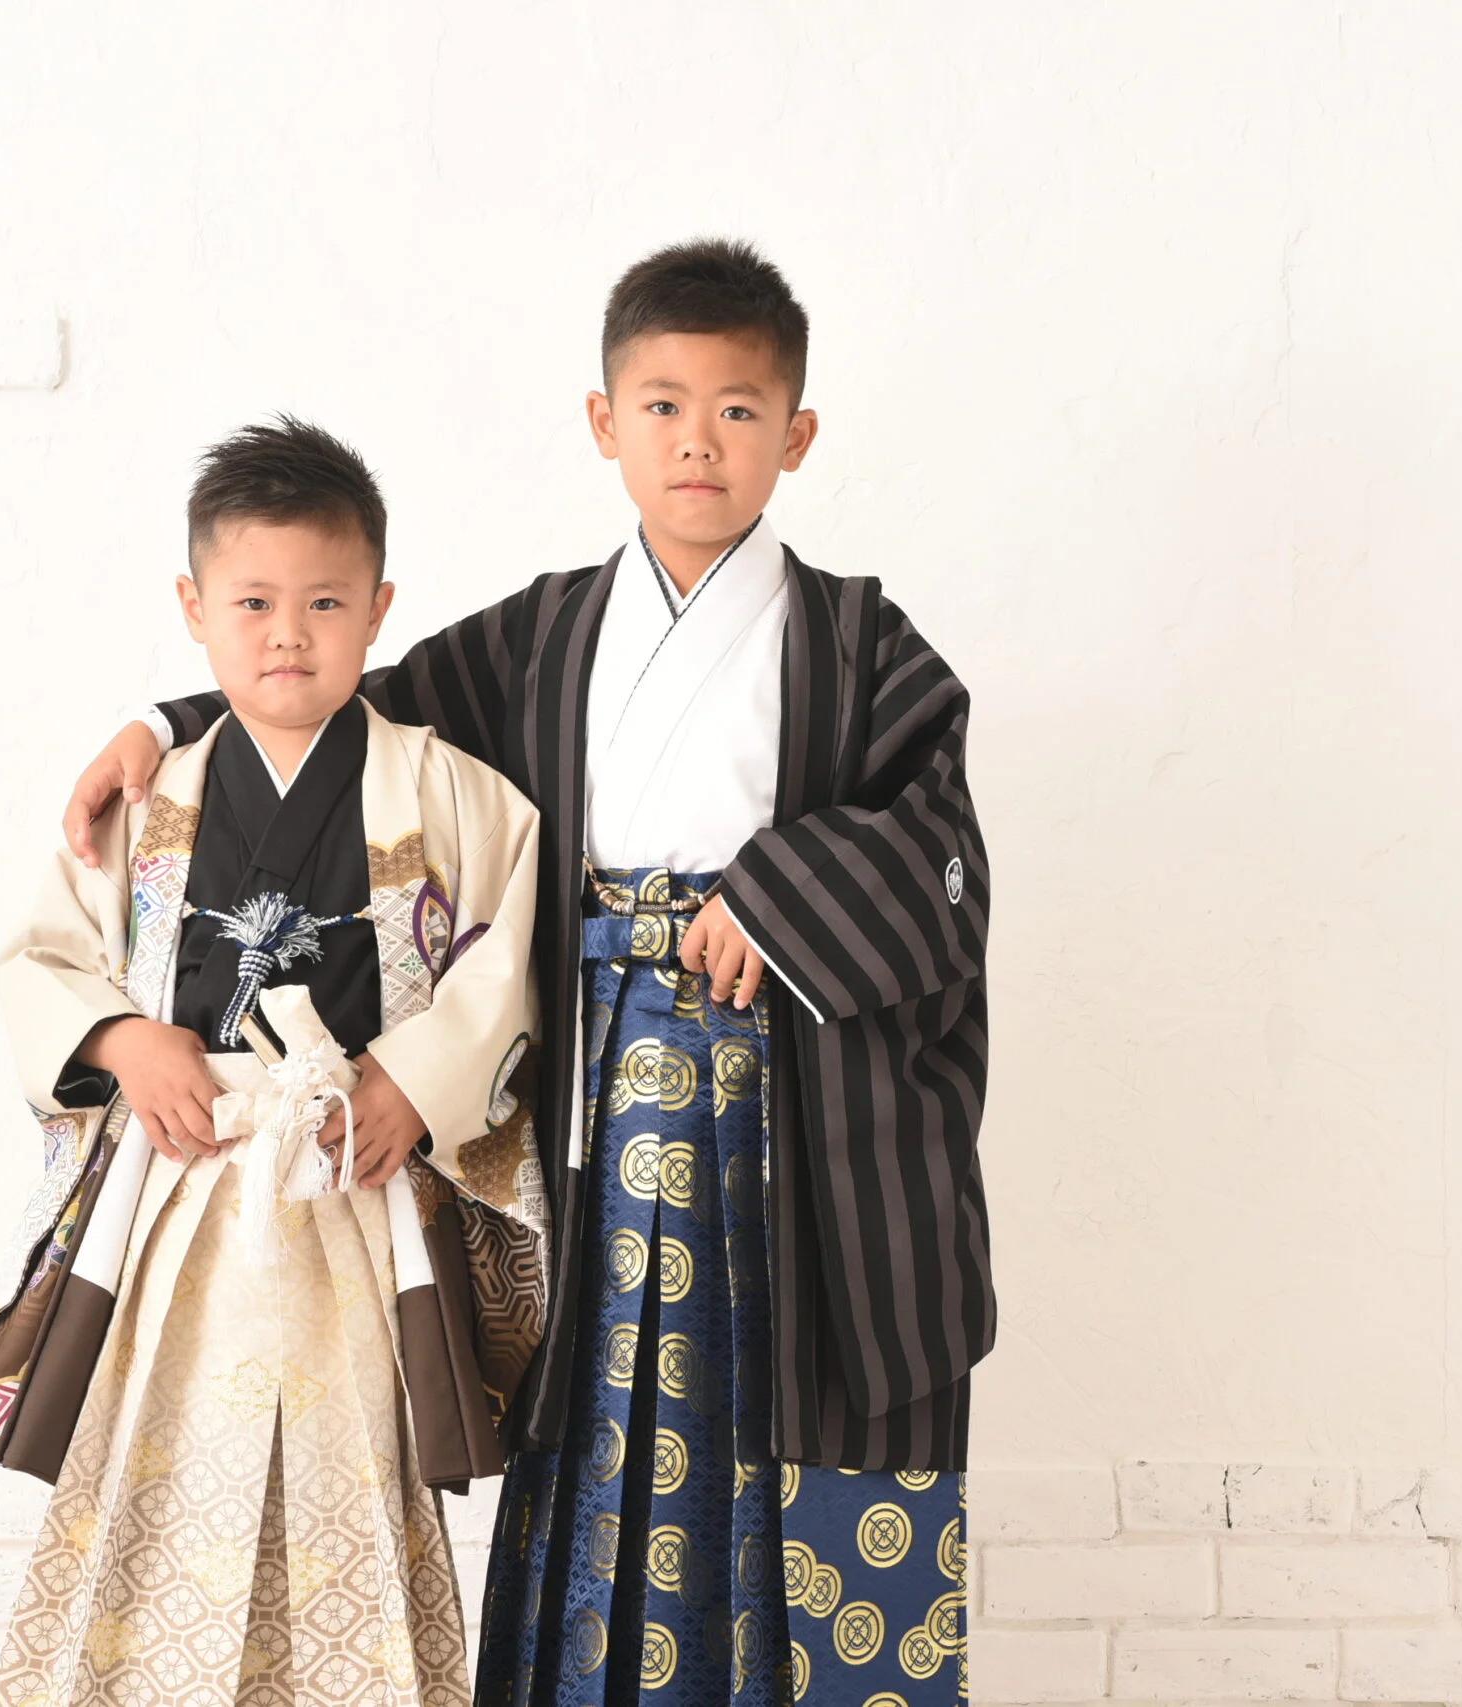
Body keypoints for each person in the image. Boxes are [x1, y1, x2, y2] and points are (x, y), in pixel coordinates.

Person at [62, 241, 993, 1707]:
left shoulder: (862, 644)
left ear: (797, 435)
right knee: (606, 1389)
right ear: (604, 423)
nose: (699, 442)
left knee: (784, 1388)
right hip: (594, 1094)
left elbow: (938, 841)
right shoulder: (548, 633)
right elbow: (341, 696)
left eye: (739, 410)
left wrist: (781, 896)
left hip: (786, 1103)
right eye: (663, 405)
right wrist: (163, 721)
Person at [0, 417, 547, 1707]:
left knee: (353, 1478)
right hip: (187, 1181)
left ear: (379, 611)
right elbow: (39, 955)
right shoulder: (151, 793)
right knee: (161, 1462)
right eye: (252, 602)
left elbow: (505, 961)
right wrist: (122, 1040)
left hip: (352, 1176)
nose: (288, 634)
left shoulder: (451, 790)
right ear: (194, 609)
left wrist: (415, 1083)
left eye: (325, 603)